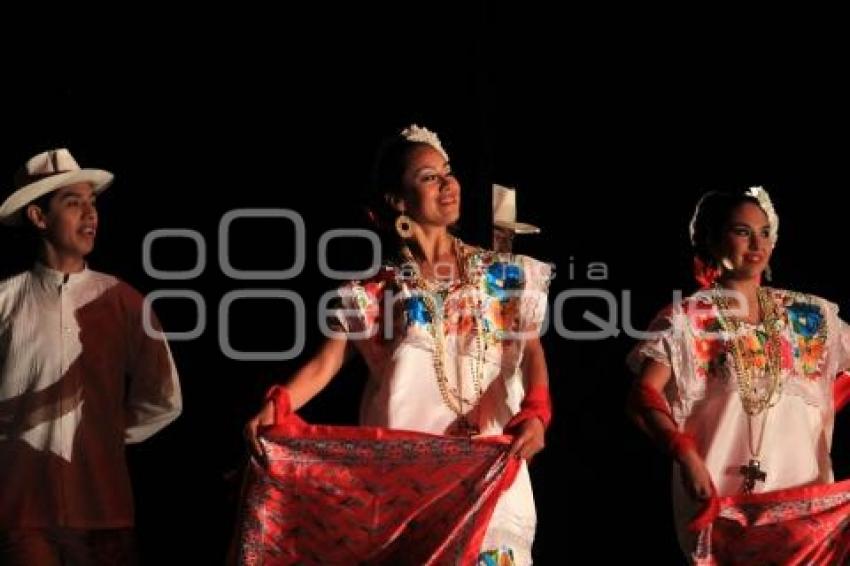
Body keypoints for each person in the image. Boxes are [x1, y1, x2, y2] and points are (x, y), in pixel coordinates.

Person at [244, 125, 553, 565]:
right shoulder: (375, 292)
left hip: (488, 473)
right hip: (409, 486)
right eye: (429, 177)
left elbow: (531, 351)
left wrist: (537, 413)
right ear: (398, 201)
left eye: (448, 172)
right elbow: (325, 363)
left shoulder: (500, 275)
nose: (448, 183)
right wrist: (278, 403)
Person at [627, 186, 850, 563]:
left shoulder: (807, 316)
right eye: (742, 231)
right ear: (711, 240)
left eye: (764, 232)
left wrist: (824, 402)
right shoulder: (688, 319)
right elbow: (643, 396)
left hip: (801, 496)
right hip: (723, 499)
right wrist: (685, 454)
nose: (757, 242)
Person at [0, 149, 183, 564]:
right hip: (24, 510)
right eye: (73, 202)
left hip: (104, 508)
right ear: (38, 217)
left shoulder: (123, 301)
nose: (90, 214)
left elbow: (164, 397)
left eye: (93, 203)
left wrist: (105, 433)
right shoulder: (5, 302)